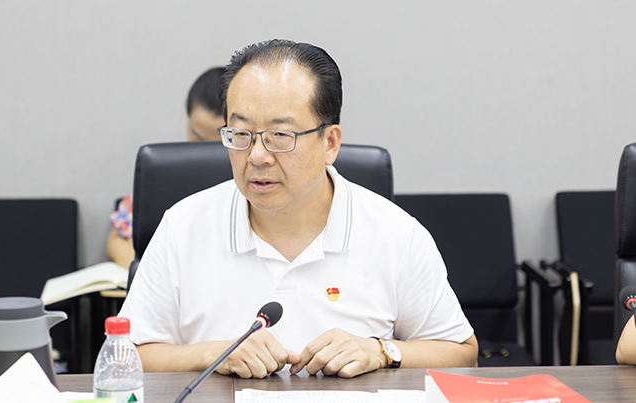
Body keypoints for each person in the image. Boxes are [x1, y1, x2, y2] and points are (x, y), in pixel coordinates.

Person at [118, 39, 478, 379]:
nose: (257, 156)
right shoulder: (184, 226)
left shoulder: (395, 233)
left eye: (280, 136)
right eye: (240, 134)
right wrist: (212, 354)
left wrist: (381, 350)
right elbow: (124, 356)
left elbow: (462, 354)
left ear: (330, 143)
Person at [106, 66, 226, 269]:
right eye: (197, 137)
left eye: (219, 146)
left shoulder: (257, 184)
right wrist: (154, 273)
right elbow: (115, 241)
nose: (205, 153)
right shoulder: (167, 175)